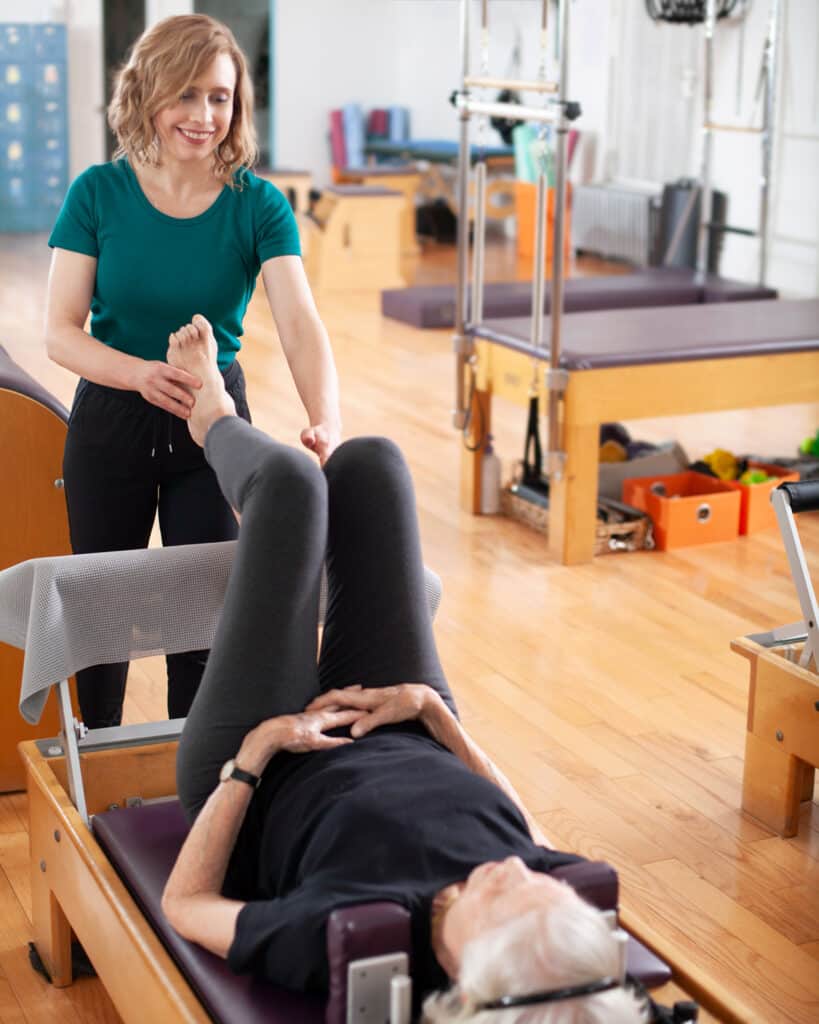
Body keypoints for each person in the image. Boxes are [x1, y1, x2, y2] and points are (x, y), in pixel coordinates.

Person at [158, 317, 646, 1023]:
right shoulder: (542, 912)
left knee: (292, 484)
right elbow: (526, 834)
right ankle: (293, 521)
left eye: (506, 890)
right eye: (539, 881)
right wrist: (433, 713)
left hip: (269, 766)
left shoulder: (348, 929)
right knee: (372, 463)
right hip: (410, 723)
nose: (516, 866)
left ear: (463, 970)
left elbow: (186, 904)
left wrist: (258, 751)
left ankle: (214, 422)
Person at [43, 14, 341, 730]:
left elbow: (299, 323)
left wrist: (328, 419)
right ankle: (101, 775)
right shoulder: (97, 193)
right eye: (185, 95)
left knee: (205, 625)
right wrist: (141, 374)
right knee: (99, 622)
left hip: (213, 425)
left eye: (220, 97)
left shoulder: (257, 205)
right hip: (111, 418)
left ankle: (195, 788)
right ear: (146, 94)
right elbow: (59, 333)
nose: (204, 116)